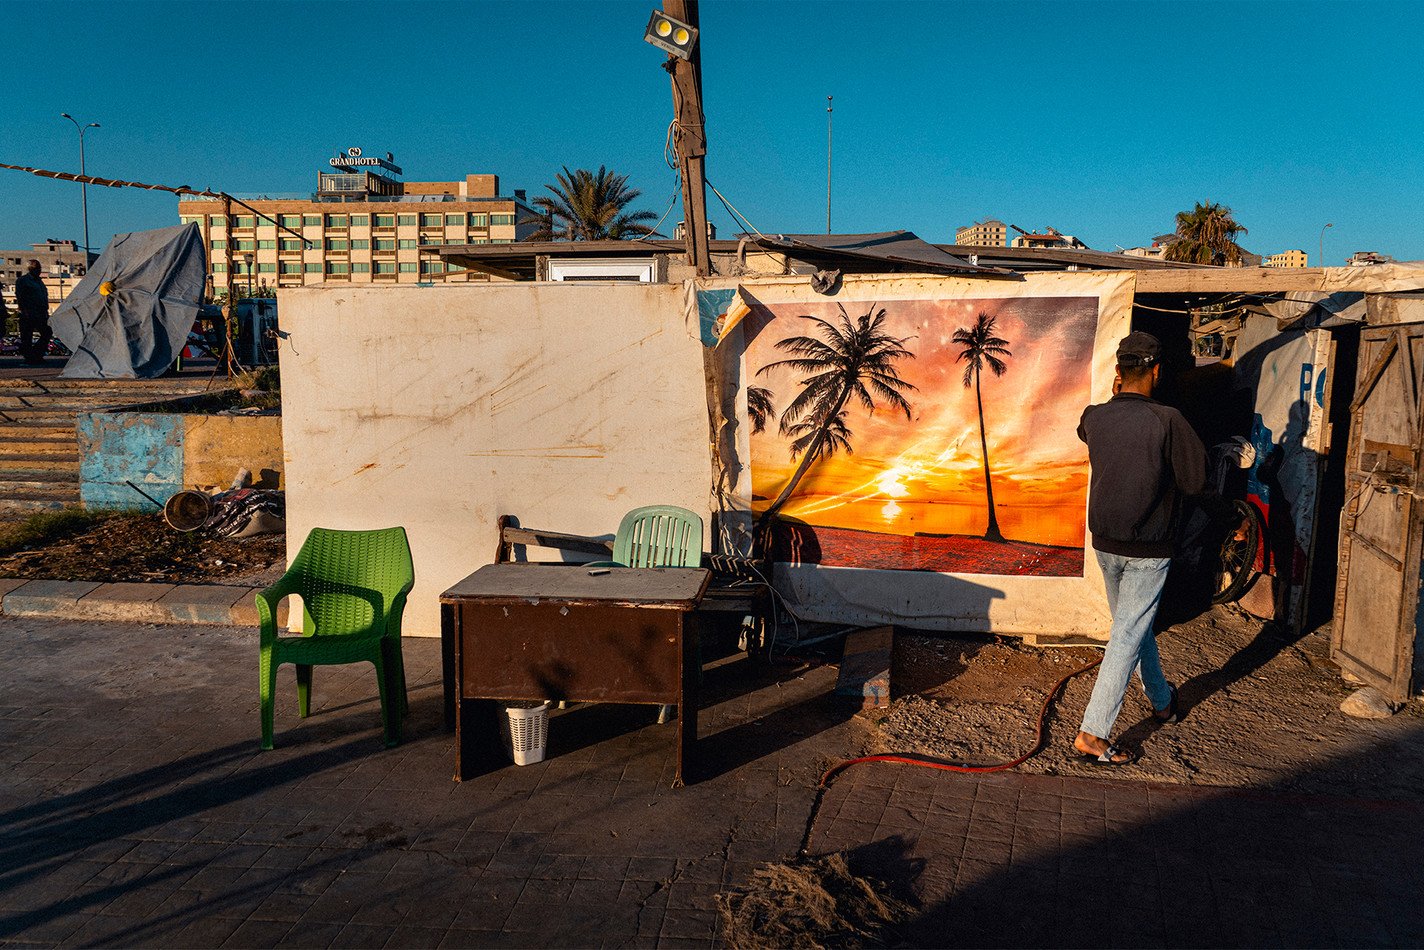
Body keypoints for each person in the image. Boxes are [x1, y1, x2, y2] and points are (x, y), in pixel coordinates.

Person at [1073, 330, 1207, 766]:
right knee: (1128, 631)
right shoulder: (1169, 420)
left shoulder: (1095, 416)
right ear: (1157, 370)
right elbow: (1195, 482)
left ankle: (1163, 702)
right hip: (1149, 547)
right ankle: (1093, 733)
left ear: (1118, 373)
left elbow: (1085, 430)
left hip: (1105, 543)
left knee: (1134, 627)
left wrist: (1116, 401)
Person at [15, 260, 51, 365]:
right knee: (27, 336)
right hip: (29, 311)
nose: (39, 270)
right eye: (36, 268)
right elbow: (20, 296)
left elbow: (44, 296)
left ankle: (37, 354)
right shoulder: (23, 280)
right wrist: (23, 310)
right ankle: (30, 357)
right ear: (30, 269)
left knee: (47, 332)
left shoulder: (39, 281)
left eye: (39, 268)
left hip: (41, 312)